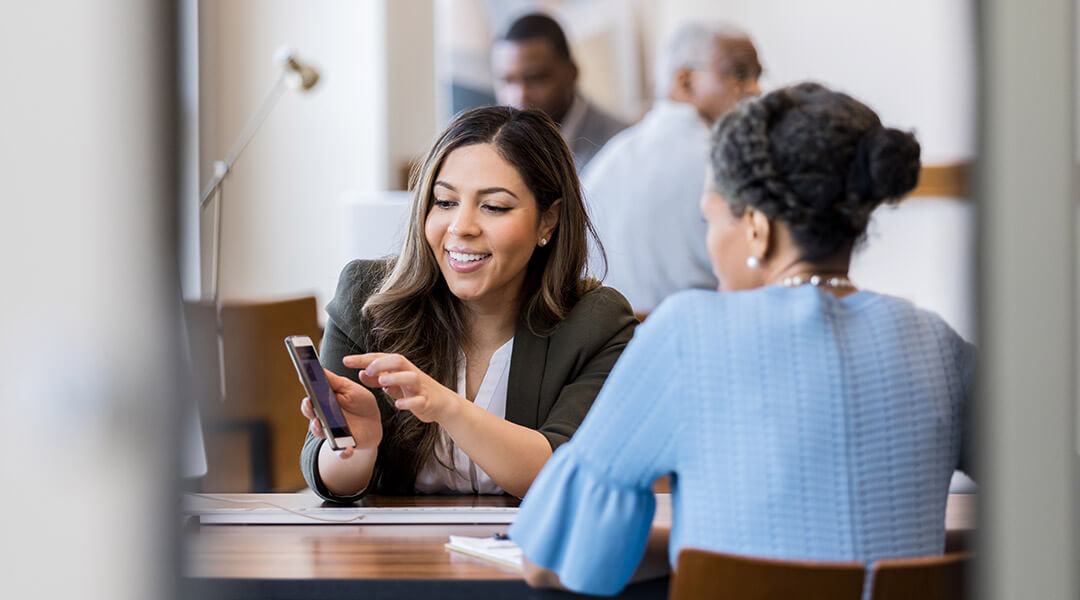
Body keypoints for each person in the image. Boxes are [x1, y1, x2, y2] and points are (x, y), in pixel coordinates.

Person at [511, 83, 975, 595]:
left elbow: (553, 560)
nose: (710, 243)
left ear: (757, 228)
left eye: (710, 218)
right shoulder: (938, 345)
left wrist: (692, 544)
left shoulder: (688, 333)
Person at [299, 106, 636, 501]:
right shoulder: (366, 298)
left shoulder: (598, 322)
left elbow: (566, 473)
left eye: (494, 207)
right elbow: (330, 479)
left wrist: (446, 406)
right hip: (400, 557)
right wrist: (359, 445)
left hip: (530, 556)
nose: (462, 227)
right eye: (445, 202)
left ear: (549, 220)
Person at [582, 23, 762, 313]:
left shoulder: (609, 159)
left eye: (758, 75)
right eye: (739, 73)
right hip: (706, 341)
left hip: (610, 350)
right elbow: (761, 279)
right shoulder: (726, 161)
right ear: (686, 81)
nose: (756, 89)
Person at [491, 13, 627, 171]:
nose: (520, 96)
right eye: (507, 81)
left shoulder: (618, 148)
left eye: (536, 78)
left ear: (572, 73)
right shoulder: (494, 145)